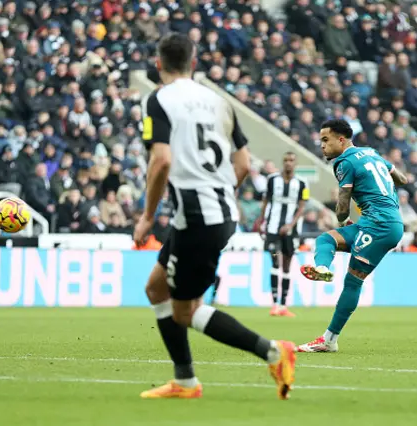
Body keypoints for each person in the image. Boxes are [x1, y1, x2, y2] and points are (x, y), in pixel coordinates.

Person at [132, 33, 296, 400]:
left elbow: (161, 160)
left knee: (186, 312)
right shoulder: (217, 101)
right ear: (194, 63)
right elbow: (242, 163)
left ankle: (272, 351)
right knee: (156, 288)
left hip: (195, 216)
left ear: (158, 64)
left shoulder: (158, 99)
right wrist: (219, 193)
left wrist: (146, 216)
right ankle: (184, 379)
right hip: (214, 212)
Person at [297, 119, 407, 353]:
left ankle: (329, 340)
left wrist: (342, 219)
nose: (322, 146)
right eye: (321, 141)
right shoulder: (372, 153)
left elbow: (343, 207)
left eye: (326, 140)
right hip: (382, 220)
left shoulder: (343, 162)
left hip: (379, 224)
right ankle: (323, 268)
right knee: (326, 240)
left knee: (353, 281)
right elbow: (403, 179)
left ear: (341, 139)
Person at [260, 151, 308, 317]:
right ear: (283, 162)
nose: (288, 163)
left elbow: (302, 207)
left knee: (287, 265)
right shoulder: (272, 179)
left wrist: (290, 225)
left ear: (295, 163)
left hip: (291, 231)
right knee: (275, 261)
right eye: (286, 160)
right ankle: (274, 304)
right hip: (272, 229)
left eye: (291, 160)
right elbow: (266, 201)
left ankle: (283, 305)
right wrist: (261, 221)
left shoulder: (302, 183)